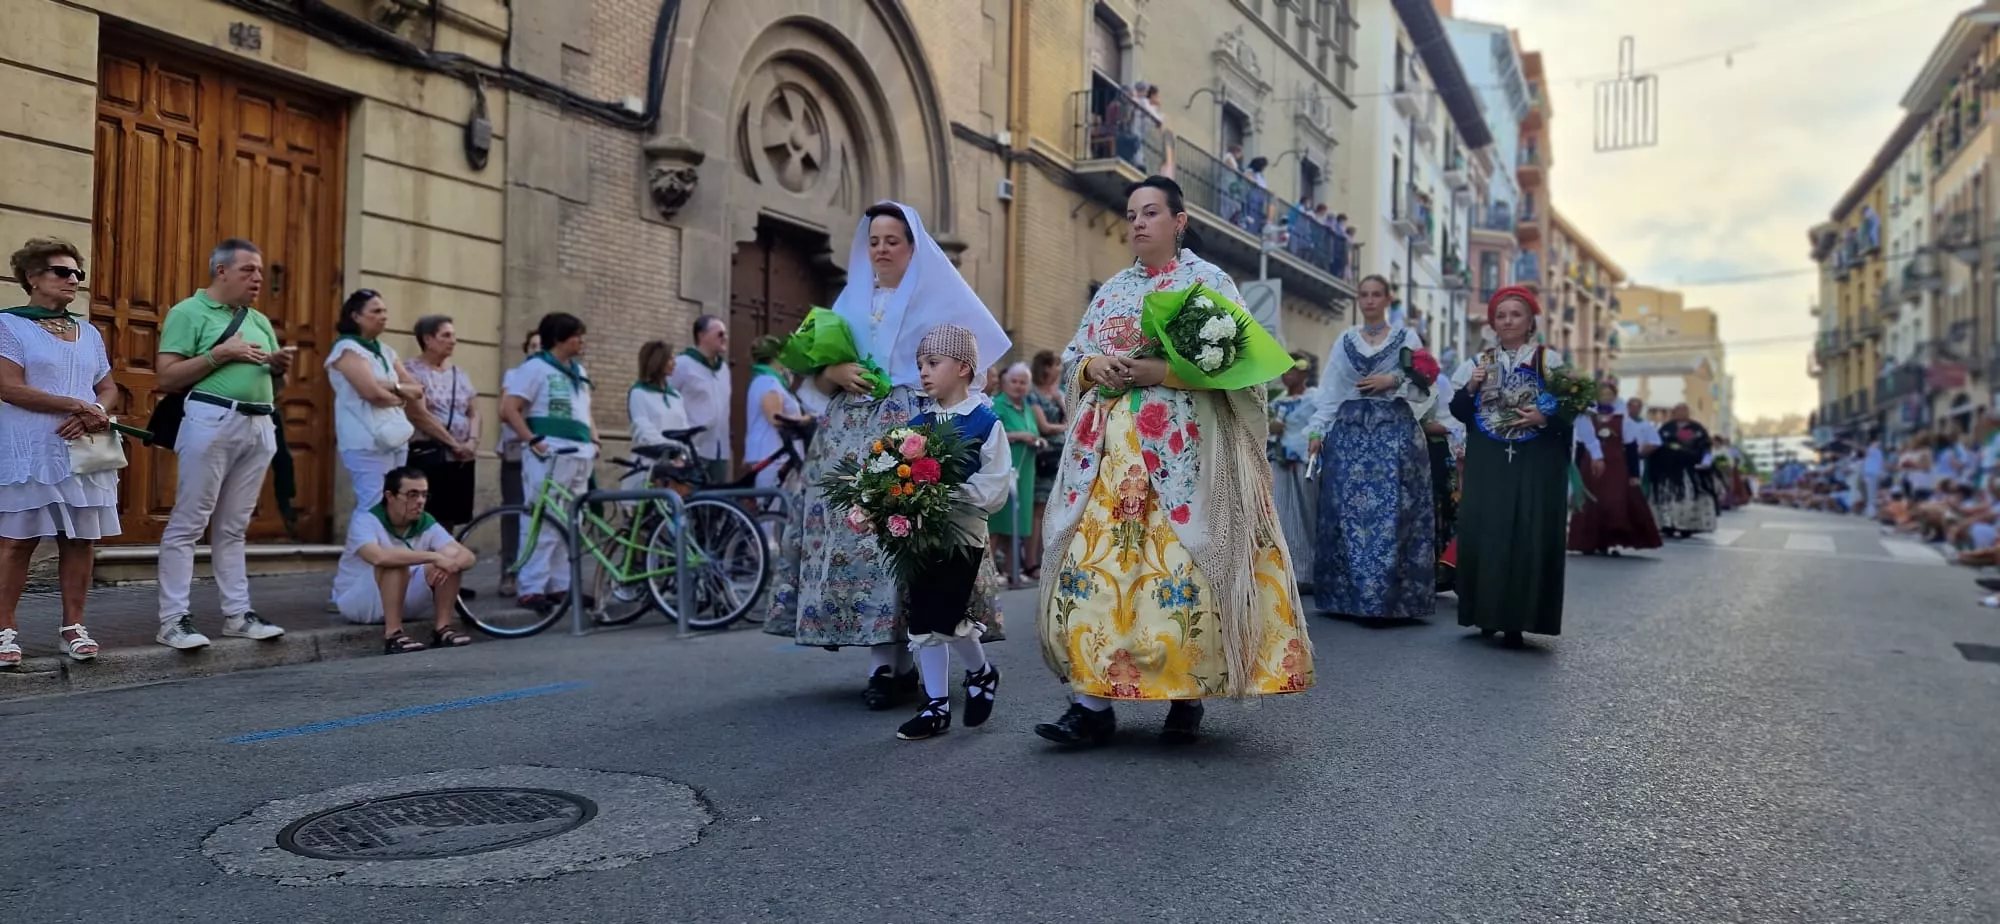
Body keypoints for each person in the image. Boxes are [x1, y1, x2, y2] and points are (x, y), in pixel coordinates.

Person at [1035, 175, 1313, 748]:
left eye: (1152, 212)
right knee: (1095, 572)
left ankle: (1186, 696)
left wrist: (1166, 373)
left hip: (1187, 456)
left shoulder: (1210, 283)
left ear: (1179, 221)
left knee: (1181, 575)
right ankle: (1090, 705)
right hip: (1109, 461)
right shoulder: (1110, 289)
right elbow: (1073, 357)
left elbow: (1243, 369)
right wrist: (1093, 369)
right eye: (1132, 214)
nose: (1138, 222)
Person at [767, 201, 1012, 707]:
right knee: (863, 538)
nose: (881, 249)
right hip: (849, 433)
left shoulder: (939, 300)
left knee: (910, 539)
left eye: (892, 240)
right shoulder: (851, 300)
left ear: (912, 247)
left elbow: (972, 368)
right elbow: (815, 369)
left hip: (913, 425)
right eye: (874, 240)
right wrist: (833, 373)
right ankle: (884, 665)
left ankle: (920, 658)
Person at [154, 239, 294, 650]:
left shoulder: (260, 320)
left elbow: (276, 387)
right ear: (221, 271)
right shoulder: (188, 312)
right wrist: (221, 354)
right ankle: (173, 620)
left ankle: (238, 614)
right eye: (249, 270)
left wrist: (279, 370)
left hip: (259, 425)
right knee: (189, 523)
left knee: (234, 527)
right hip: (212, 418)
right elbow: (166, 378)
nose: (258, 279)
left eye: (261, 271)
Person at [1447, 286, 1601, 647]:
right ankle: (1484, 613)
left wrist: (1544, 416)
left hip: (1534, 465)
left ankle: (1518, 618)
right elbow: (1457, 412)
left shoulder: (1550, 360)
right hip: (1489, 464)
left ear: (1530, 321)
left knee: (1526, 533)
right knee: (1488, 533)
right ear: (1492, 324)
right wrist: (1470, 388)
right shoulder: (1477, 363)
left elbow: (1575, 405)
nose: (1508, 321)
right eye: (1501, 315)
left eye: (1515, 314)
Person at [892, 325, 1014, 740]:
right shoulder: (917, 422)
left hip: (962, 537)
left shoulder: (984, 422)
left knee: (942, 619)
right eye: (920, 365)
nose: (923, 373)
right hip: (921, 537)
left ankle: (980, 672)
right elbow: (896, 471)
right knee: (923, 620)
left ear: (963, 368)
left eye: (933, 363)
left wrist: (944, 495)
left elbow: (995, 485)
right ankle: (936, 706)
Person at [0, 238, 118, 666]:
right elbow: (8, 386)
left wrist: (96, 412)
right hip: (31, 445)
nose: (73, 281)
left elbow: (108, 386)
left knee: (82, 538)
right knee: (17, 540)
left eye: (77, 274)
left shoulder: (88, 331)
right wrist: (75, 405)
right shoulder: (9, 326)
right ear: (32, 277)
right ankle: (4, 630)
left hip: (89, 442)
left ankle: (73, 627)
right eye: (62, 272)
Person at [1305, 274, 1435, 621]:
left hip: (1393, 433)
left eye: (1377, 294)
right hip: (1349, 433)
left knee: (1391, 514)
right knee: (1347, 514)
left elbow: (1424, 384)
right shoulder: (1345, 339)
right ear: (1358, 300)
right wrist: (1316, 430)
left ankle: (1390, 599)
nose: (1370, 300)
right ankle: (1348, 598)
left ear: (1388, 299)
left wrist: (1393, 380)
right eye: (1364, 295)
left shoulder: (1406, 336)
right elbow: (1331, 389)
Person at [501, 312, 597, 610]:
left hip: (579, 453)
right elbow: (509, 408)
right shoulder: (536, 368)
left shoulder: (578, 371)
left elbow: (583, 412)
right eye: (575, 335)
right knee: (541, 520)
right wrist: (532, 439)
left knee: (572, 521)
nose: (581, 341)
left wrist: (594, 440)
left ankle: (561, 585)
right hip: (549, 452)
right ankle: (531, 587)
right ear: (559, 338)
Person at [332, 465, 476, 653]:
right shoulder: (366, 521)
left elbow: (468, 556)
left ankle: (442, 629)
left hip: (403, 600)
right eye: (412, 495)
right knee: (396, 561)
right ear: (390, 496)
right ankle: (393, 634)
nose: (420, 501)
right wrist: (434, 556)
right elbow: (378, 557)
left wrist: (450, 564)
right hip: (360, 602)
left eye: (424, 495)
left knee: (450, 560)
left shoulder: (425, 522)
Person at [326, 289, 422, 523]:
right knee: (373, 502)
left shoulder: (385, 351)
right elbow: (371, 394)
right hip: (364, 440)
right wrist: (398, 394)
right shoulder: (347, 349)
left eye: (385, 311)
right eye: (376, 311)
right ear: (356, 316)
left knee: (396, 504)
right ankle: (358, 558)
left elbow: (417, 390)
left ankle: (387, 557)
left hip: (394, 436)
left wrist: (390, 387)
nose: (383, 316)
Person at [402, 314, 479, 529]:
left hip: (461, 459)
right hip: (431, 456)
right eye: (446, 335)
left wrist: (472, 441)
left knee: (451, 518)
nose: (453, 341)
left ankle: (445, 560)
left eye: (453, 335)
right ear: (427, 339)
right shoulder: (411, 371)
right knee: (427, 516)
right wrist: (454, 444)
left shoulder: (459, 374)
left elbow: (474, 411)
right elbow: (419, 414)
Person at [1567, 382, 1662, 555]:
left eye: (1609, 394)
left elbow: (1631, 447)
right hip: (1591, 466)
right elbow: (1581, 445)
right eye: (1602, 394)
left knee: (1612, 503)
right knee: (1590, 504)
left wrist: (1634, 474)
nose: (1606, 397)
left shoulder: (1623, 421)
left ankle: (1608, 541)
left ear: (1614, 397)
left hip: (1615, 468)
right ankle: (1587, 542)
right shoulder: (1587, 419)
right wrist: (1579, 471)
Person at [1267, 352, 1318, 588]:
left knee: (1307, 514)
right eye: (1285, 371)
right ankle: (1288, 571)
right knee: (1282, 514)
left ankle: (1309, 570)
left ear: (1305, 373)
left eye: (1293, 370)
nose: (1288, 375)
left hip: (1305, 461)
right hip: (1279, 462)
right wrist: (1272, 429)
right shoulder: (1276, 403)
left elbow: (1321, 426)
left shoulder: (1316, 399)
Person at [990, 362, 1044, 586]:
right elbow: (993, 433)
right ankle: (991, 570)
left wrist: (1038, 440)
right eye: (1014, 381)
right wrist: (1019, 435)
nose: (1019, 386)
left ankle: (1013, 570)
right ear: (1004, 382)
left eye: (1023, 382)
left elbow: (1035, 433)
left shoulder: (1028, 409)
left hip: (1025, 470)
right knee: (997, 521)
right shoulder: (997, 405)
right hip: (1004, 468)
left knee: (1019, 521)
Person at [496, 331, 539, 598]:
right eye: (532, 346)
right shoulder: (515, 375)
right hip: (517, 452)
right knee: (513, 512)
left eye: (541, 346)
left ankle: (534, 573)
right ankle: (509, 572)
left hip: (543, 453)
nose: (536, 350)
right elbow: (506, 411)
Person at [669, 315, 732, 485]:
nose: (725, 337)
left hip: (720, 450)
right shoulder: (682, 365)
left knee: (717, 506)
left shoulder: (723, 369)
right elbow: (667, 400)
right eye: (720, 334)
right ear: (702, 336)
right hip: (694, 449)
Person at [743, 335, 812, 487]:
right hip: (772, 456)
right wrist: (807, 419)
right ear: (778, 356)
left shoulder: (769, 381)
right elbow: (776, 419)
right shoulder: (768, 382)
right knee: (774, 506)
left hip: (778, 456)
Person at [1024, 350, 1069, 580]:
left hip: (1061, 454)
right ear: (1045, 367)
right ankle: (1030, 561)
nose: (1060, 368)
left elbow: (1069, 414)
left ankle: (1047, 557)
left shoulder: (1059, 393)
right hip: (1044, 455)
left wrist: (1059, 398)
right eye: (1056, 364)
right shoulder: (1033, 394)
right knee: (1038, 509)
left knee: (1054, 508)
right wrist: (1065, 427)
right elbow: (1044, 425)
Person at [626, 339, 690, 494]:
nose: (674, 363)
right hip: (650, 465)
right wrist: (667, 452)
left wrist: (683, 454)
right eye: (670, 358)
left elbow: (683, 428)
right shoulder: (639, 393)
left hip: (676, 465)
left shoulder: (675, 396)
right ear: (657, 361)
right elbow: (643, 429)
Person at [1648, 404, 1717, 538]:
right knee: (1666, 499)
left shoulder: (1697, 429)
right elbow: (1657, 445)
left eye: (1683, 410)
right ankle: (1668, 525)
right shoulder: (1666, 428)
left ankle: (1687, 526)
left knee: (1688, 497)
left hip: (1690, 471)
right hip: (1667, 472)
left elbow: (1706, 449)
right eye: (1677, 411)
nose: (1680, 413)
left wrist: (1705, 463)